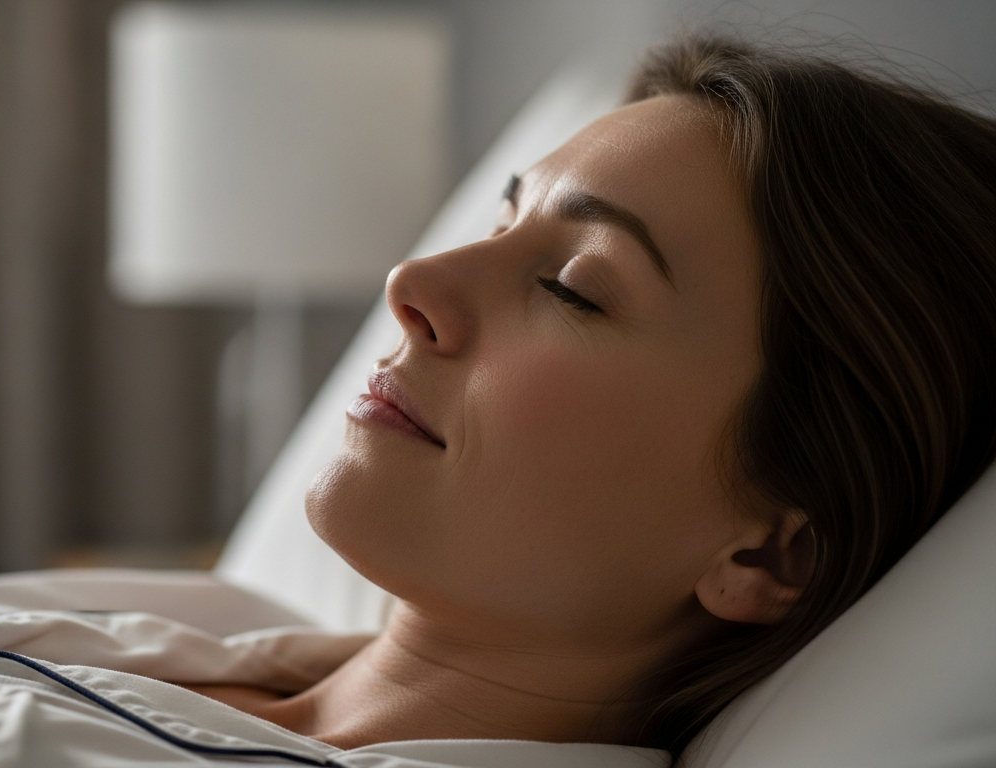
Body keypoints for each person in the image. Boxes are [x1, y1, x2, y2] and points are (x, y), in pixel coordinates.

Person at [185, 34, 996, 757]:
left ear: (769, 555)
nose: (413, 281)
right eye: (502, 222)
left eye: (573, 287)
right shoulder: (167, 650)